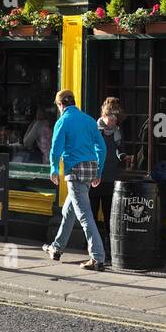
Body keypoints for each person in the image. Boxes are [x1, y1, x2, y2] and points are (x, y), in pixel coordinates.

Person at [43, 89, 107, 271]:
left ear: (60, 105)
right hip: (89, 170)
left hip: (74, 171)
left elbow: (55, 149)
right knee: (69, 210)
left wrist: (54, 169)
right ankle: (56, 248)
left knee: (84, 215)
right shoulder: (88, 120)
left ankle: (97, 258)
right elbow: (101, 147)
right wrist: (99, 171)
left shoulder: (63, 121)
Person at [95, 97, 130, 245]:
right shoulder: (95, 131)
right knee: (92, 213)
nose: (114, 122)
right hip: (96, 177)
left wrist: (124, 156)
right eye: (112, 118)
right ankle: (92, 242)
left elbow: (120, 150)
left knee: (110, 213)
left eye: (116, 119)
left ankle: (108, 242)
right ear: (104, 116)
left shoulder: (117, 131)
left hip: (111, 176)